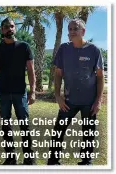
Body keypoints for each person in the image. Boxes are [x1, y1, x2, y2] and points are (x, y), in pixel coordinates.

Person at [47, 19, 104, 165]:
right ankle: (53, 161)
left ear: (83, 31)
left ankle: (86, 161)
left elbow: (100, 77)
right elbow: (58, 74)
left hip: (89, 102)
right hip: (68, 101)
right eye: (70, 29)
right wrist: (58, 97)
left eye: (75, 29)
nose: (71, 32)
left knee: (88, 132)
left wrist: (98, 100)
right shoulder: (63, 49)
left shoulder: (94, 50)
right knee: (58, 130)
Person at [0, 17, 36, 165]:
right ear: (2, 30)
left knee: (24, 125)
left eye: (12, 26)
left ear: (15, 28)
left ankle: (28, 158)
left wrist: (32, 91)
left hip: (20, 92)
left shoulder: (24, 47)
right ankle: (10, 157)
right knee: (6, 125)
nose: (10, 29)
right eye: (6, 27)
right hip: (3, 93)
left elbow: (31, 71)